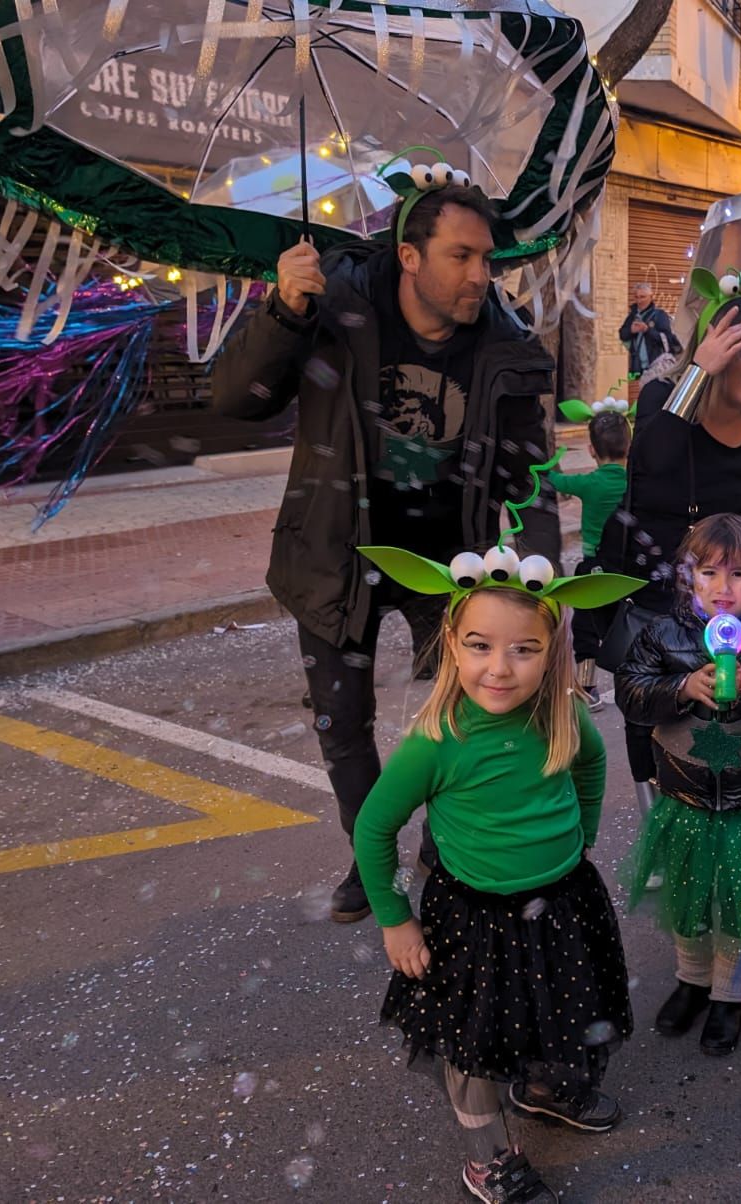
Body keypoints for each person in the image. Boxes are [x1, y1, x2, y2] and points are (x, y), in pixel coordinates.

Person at [212, 182, 558, 924]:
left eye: (486, 259)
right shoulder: (332, 307)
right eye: (460, 256)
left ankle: (443, 842)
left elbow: (531, 474)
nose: (478, 276)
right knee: (342, 720)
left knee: (463, 710)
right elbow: (236, 399)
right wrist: (285, 312)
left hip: (450, 562)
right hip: (336, 548)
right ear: (409, 255)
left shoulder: (505, 342)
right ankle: (368, 854)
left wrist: (541, 588)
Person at [350, 535, 648, 1204]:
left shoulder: (563, 715)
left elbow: (594, 766)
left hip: (563, 899)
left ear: (554, 653)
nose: (501, 668)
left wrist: (585, 834)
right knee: (474, 1044)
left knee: (557, 1008)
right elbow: (374, 828)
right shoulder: (436, 740)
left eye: (524, 648)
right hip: (474, 918)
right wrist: (396, 921)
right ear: (452, 644)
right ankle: (487, 1161)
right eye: (481, 645)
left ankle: (545, 1089)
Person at [614, 514, 741, 1056]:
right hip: (684, 799)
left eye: (739, 576)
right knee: (688, 900)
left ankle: (730, 994)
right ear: (688, 578)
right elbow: (630, 692)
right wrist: (679, 687)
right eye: (708, 573)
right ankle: (691, 980)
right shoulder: (664, 633)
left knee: (740, 907)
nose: (723, 589)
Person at [598, 296, 741, 809]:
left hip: (711, 606)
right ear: (714, 343)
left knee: (701, 718)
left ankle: (698, 815)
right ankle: (651, 819)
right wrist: (698, 373)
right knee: (644, 713)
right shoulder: (663, 394)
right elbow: (649, 462)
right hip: (646, 593)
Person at [549, 411, 630, 710]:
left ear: (592, 450)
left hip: (594, 569)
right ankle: (634, 677)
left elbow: (554, 480)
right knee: (623, 623)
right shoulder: (635, 481)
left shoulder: (589, 483)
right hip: (626, 569)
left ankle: (588, 687)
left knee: (585, 628)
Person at [619, 282, 681, 379]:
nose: (639, 301)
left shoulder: (659, 315)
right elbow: (622, 335)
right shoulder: (632, 316)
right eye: (636, 297)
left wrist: (647, 330)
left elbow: (667, 339)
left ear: (651, 297)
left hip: (658, 366)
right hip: (639, 367)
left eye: (642, 297)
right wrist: (630, 330)